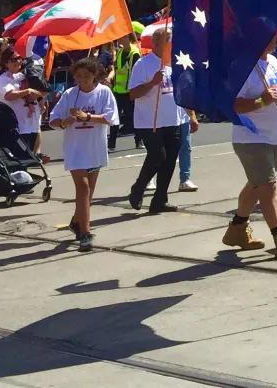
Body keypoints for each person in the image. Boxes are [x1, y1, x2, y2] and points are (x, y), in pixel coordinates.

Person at [223, 34, 277, 261]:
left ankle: (237, 229)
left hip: (275, 137)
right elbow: (233, 105)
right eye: (272, 34)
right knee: (268, 187)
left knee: (257, 186)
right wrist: (261, 101)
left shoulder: (272, 61)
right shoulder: (243, 67)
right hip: (252, 138)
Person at [49, 59, 120, 252]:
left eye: (87, 76)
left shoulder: (104, 92)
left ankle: (76, 221)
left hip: (95, 148)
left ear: (95, 75)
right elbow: (53, 119)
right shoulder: (69, 94)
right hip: (75, 149)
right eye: (79, 76)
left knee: (89, 193)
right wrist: (64, 122)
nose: (82, 80)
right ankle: (86, 233)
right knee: (83, 187)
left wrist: (87, 117)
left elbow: (111, 118)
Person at [124, 25, 182, 215]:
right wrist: (152, 83)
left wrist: (189, 115)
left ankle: (160, 200)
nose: (171, 44)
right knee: (158, 156)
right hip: (150, 121)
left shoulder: (173, 63)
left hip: (173, 119)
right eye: (168, 40)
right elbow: (133, 93)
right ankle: (138, 188)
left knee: (170, 160)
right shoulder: (143, 64)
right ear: (157, 43)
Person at [0, 51, 45, 156]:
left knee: (32, 158)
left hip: (32, 125)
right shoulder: (3, 79)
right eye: (14, 59)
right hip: (18, 127)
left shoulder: (24, 75)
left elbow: (41, 90)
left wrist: (41, 100)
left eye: (20, 58)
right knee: (21, 159)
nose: (18, 61)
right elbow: (9, 96)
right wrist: (28, 91)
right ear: (6, 63)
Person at [108, 29, 140, 150]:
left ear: (128, 38)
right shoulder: (120, 52)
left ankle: (139, 141)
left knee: (133, 118)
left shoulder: (135, 53)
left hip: (129, 92)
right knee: (114, 118)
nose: (119, 39)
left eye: (122, 37)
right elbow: (115, 69)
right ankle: (111, 145)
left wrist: (135, 89)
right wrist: (109, 77)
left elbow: (136, 73)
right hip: (118, 91)